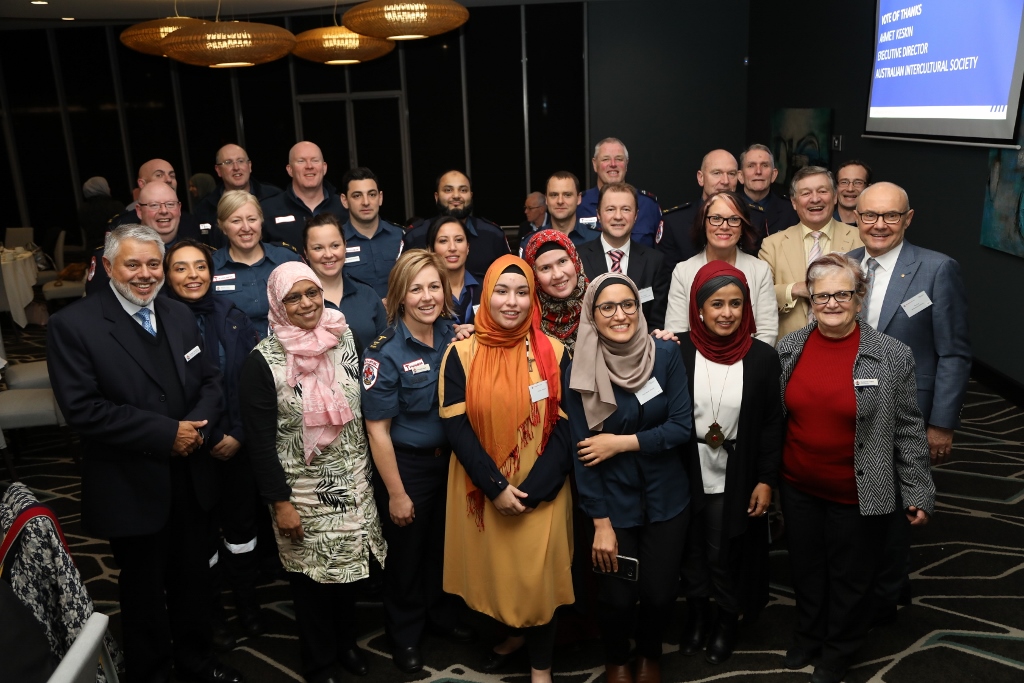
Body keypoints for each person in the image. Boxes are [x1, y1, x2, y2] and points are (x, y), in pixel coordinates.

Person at [47, 224, 244, 683]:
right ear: (110, 267)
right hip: (131, 485)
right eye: (132, 264)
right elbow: (83, 410)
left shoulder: (176, 314)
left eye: (153, 264)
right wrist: (165, 433)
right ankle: (152, 673)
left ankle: (198, 665)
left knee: (194, 583)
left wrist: (193, 428)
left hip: (191, 477)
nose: (144, 274)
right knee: (143, 593)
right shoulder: (72, 325)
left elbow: (211, 379)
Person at [776, 253, 936, 683]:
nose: (831, 303)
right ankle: (809, 634)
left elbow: (907, 428)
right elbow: (779, 417)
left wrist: (918, 490)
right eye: (821, 294)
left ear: (859, 298)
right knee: (807, 568)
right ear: (810, 299)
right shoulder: (789, 348)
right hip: (798, 485)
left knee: (851, 575)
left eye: (842, 294)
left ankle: (838, 649)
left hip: (858, 491)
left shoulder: (891, 354)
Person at [239, 262, 386, 683]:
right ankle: (319, 661)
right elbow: (261, 445)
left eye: (312, 293)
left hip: (353, 482)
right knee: (312, 583)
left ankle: (347, 645)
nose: (306, 304)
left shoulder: (344, 338)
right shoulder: (262, 362)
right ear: (277, 304)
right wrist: (280, 504)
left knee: (348, 573)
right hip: (301, 492)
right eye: (294, 297)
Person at [439, 254, 574, 683]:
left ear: (533, 298)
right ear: (486, 296)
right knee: (500, 576)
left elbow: (569, 429)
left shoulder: (554, 351)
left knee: (538, 581)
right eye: (502, 291)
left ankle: (541, 670)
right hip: (484, 488)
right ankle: (514, 637)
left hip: (542, 489)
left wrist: (533, 491)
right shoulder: (460, 355)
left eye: (522, 292)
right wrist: (496, 487)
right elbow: (456, 429)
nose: (512, 302)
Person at [847, 182, 971, 625]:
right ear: (855, 218)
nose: (879, 225)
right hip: (851, 409)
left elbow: (954, 352)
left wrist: (942, 424)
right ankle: (869, 584)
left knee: (898, 511)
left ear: (908, 218)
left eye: (890, 216)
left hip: (908, 414)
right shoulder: (843, 267)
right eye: (869, 216)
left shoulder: (937, 270)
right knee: (858, 504)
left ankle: (885, 598)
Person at [565, 272, 692, 683]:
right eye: (607, 307)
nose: (619, 315)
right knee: (618, 598)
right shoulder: (579, 367)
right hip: (611, 502)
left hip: (667, 497)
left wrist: (620, 443)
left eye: (628, 305)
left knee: (658, 593)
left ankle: (650, 655)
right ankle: (618, 658)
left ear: (639, 308)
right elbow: (581, 452)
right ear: (592, 315)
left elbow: (680, 427)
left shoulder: (667, 355)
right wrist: (600, 522)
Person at [361, 250, 470, 674]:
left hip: (453, 464)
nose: (427, 296)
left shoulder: (454, 335)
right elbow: (378, 431)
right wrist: (397, 493)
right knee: (406, 556)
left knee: (444, 548)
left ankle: (441, 617)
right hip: (408, 467)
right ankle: (404, 634)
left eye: (434, 286)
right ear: (400, 296)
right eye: (416, 288)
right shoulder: (384, 352)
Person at [675, 261, 783, 664]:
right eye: (716, 303)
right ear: (698, 309)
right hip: (685, 468)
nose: (726, 313)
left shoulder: (762, 358)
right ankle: (697, 616)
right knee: (691, 549)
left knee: (724, 550)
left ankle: (725, 620)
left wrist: (767, 479)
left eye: (736, 304)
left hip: (737, 472)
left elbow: (773, 424)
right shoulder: (677, 350)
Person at [164, 239, 266, 644]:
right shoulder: (160, 323)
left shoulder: (234, 315)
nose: (193, 276)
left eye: (200, 267)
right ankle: (213, 612)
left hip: (237, 443)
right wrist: (206, 436)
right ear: (168, 276)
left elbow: (252, 381)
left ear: (212, 270)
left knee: (243, 532)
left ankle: (247, 604)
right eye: (181, 268)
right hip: (191, 449)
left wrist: (239, 434)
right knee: (201, 536)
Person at [757, 166, 863, 340]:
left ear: (835, 196)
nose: (815, 199)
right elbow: (759, 296)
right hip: (789, 350)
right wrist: (795, 289)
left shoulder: (859, 239)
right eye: (806, 193)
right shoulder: (772, 245)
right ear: (793, 202)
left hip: (847, 344)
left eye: (822, 191)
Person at [663, 190, 778, 345]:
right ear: (703, 224)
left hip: (748, 363)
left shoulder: (760, 270)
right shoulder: (682, 271)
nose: (724, 226)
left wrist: (743, 364)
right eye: (716, 218)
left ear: (743, 227)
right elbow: (677, 332)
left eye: (734, 219)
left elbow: (767, 332)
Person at [86, 180, 206, 295]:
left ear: (179, 209)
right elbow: (96, 305)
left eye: (170, 204)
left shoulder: (201, 253)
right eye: (154, 205)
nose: (164, 211)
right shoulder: (112, 256)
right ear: (139, 211)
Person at [577, 182, 670, 330]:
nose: (618, 216)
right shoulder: (578, 258)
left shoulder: (654, 262)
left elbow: (656, 323)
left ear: (636, 216)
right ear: (598, 215)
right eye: (610, 209)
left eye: (626, 209)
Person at [211, 190, 303, 338]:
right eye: (236, 221)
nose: (246, 228)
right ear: (222, 226)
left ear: (261, 221)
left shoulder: (287, 259)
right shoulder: (210, 267)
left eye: (252, 219)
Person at [401, 170, 510, 281]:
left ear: (471, 196)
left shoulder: (493, 235)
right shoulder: (415, 236)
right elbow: (402, 283)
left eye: (463, 190)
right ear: (436, 196)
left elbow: (509, 279)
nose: (456, 196)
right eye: (448, 190)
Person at [303, 212, 388, 353]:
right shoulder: (300, 303)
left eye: (335, 245)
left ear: (345, 246)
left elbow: (387, 349)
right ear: (306, 252)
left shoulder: (368, 295)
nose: (329, 254)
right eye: (318, 248)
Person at [656, 149, 739, 272]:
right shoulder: (674, 222)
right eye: (717, 173)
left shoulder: (751, 218)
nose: (725, 181)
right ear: (701, 178)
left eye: (731, 174)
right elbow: (666, 279)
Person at [578, 138, 663, 247]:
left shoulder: (648, 205)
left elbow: (660, 254)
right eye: (606, 159)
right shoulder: (580, 204)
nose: (613, 164)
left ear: (626, 163)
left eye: (619, 159)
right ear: (595, 164)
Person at [195, 144, 283, 247]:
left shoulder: (274, 196)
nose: (236, 168)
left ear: (249, 166)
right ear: (218, 170)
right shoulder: (205, 207)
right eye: (228, 162)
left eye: (240, 161)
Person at [261, 141, 345, 246]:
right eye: (301, 161)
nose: (309, 166)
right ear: (290, 170)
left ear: (324, 168)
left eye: (315, 160)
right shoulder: (268, 210)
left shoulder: (344, 206)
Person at [339, 167, 405, 298]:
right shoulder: (335, 242)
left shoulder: (402, 236)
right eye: (357, 196)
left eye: (372, 194)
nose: (366, 202)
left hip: (400, 316)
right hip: (354, 317)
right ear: (344, 200)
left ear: (380, 198)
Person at [522, 229, 589, 355]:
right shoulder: (525, 318)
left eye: (562, 261)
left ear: (575, 261)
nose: (557, 275)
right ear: (535, 276)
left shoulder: (600, 305)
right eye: (545, 268)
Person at [520, 171, 602, 254]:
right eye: (554, 195)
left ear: (579, 199)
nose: (560, 201)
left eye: (567, 195)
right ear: (546, 199)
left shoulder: (598, 239)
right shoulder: (531, 242)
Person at [737, 143, 800, 250]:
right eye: (751, 166)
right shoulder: (729, 208)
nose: (758, 171)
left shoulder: (791, 211)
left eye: (765, 165)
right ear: (741, 176)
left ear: (774, 175)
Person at [427, 215, 480, 325]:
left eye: (459, 240)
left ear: (468, 247)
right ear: (431, 249)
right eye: (443, 241)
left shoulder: (487, 287)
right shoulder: (425, 293)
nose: (452, 248)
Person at [78, 176, 124, 251]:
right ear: (103, 187)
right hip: (114, 250)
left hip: (91, 251)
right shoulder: (115, 206)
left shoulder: (83, 209)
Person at [834, 160, 872, 225]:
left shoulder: (876, 226)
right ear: (835, 187)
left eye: (858, 182)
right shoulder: (821, 223)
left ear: (868, 188)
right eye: (844, 182)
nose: (850, 189)